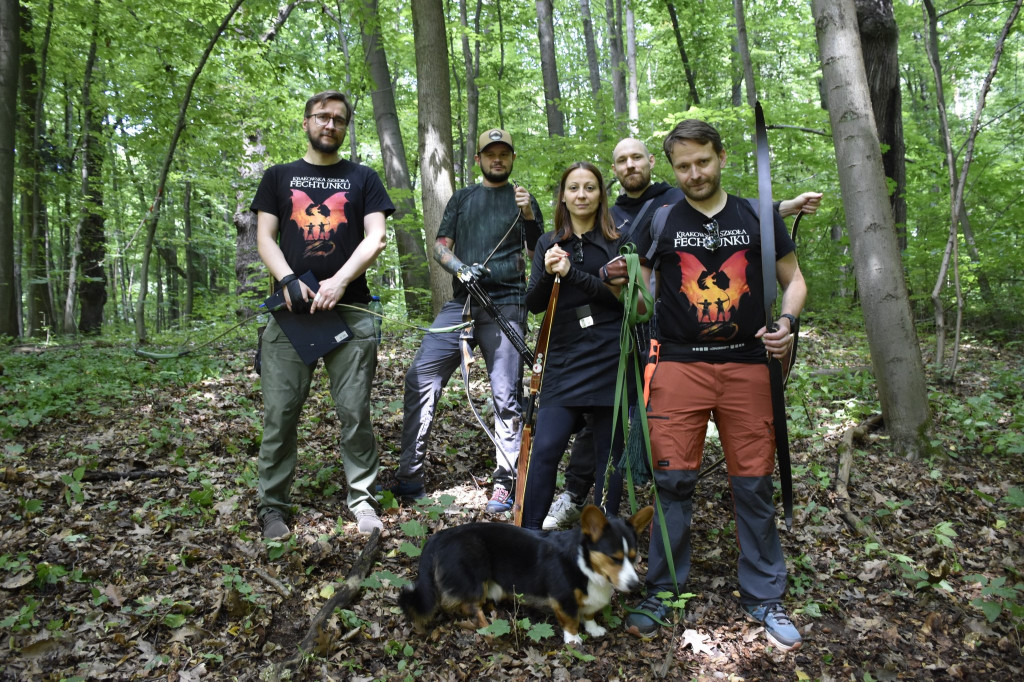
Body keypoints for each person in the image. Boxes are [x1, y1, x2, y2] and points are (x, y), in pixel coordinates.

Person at [542, 138, 821, 531]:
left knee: (637, 420)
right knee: (607, 418)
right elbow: (624, 274)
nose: (630, 165)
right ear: (614, 170)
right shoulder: (615, 214)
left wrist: (783, 207)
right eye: (621, 161)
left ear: (653, 162)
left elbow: (728, 214)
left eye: (636, 157)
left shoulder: (671, 198)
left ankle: (626, 500)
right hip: (626, 334)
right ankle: (578, 494)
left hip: (685, 339)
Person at [618, 119, 807, 650]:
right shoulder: (658, 218)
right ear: (672, 168)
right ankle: (664, 588)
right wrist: (625, 291)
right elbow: (641, 295)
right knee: (673, 482)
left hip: (748, 365)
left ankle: (765, 595)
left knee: (753, 482)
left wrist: (787, 326)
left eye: (702, 161)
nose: (694, 173)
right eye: (683, 166)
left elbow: (794, 282)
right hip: (678, 366)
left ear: (720, 157)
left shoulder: (758, 215)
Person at [250, 90, 395, 539]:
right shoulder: (279, 177)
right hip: (291, 313)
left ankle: (364, 502)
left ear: (346, 127)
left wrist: (339, 282)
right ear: (306, 122)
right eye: (321, 117)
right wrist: (290, 279)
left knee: (355, 412)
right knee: (280, 413)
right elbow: (265, 236)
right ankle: (272, 506)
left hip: (350, 311)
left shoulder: (363, 178)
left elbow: (376, 237)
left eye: (339, 119)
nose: (330, 125)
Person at [382, 129, 544, 513]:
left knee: (506, 395)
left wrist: (530, 216)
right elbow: (440, 247)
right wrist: (459, 268)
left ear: (512, 158)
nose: (498, 159)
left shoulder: (523, 199)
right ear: (479, 159)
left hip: (507, 304)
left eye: (504, 153)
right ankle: (409, 477)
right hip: (462, 305)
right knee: (421, 376)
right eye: (491, 154)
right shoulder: (463, 198)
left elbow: (538, 252)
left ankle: (505, 483)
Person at [520, 162, 626, 530]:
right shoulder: (547, 242)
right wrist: (549, 274)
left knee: (609, 458)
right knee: (545, 450)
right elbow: (533, 304)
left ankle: (606, 539)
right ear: (563, 195)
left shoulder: (618, 242)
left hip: (610, 357)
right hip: (563, 358)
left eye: (590, 188)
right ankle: (529, 538)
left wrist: (572, 274)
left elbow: (619, 300)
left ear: (601, 195)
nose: (582, 195)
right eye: (574, 188)